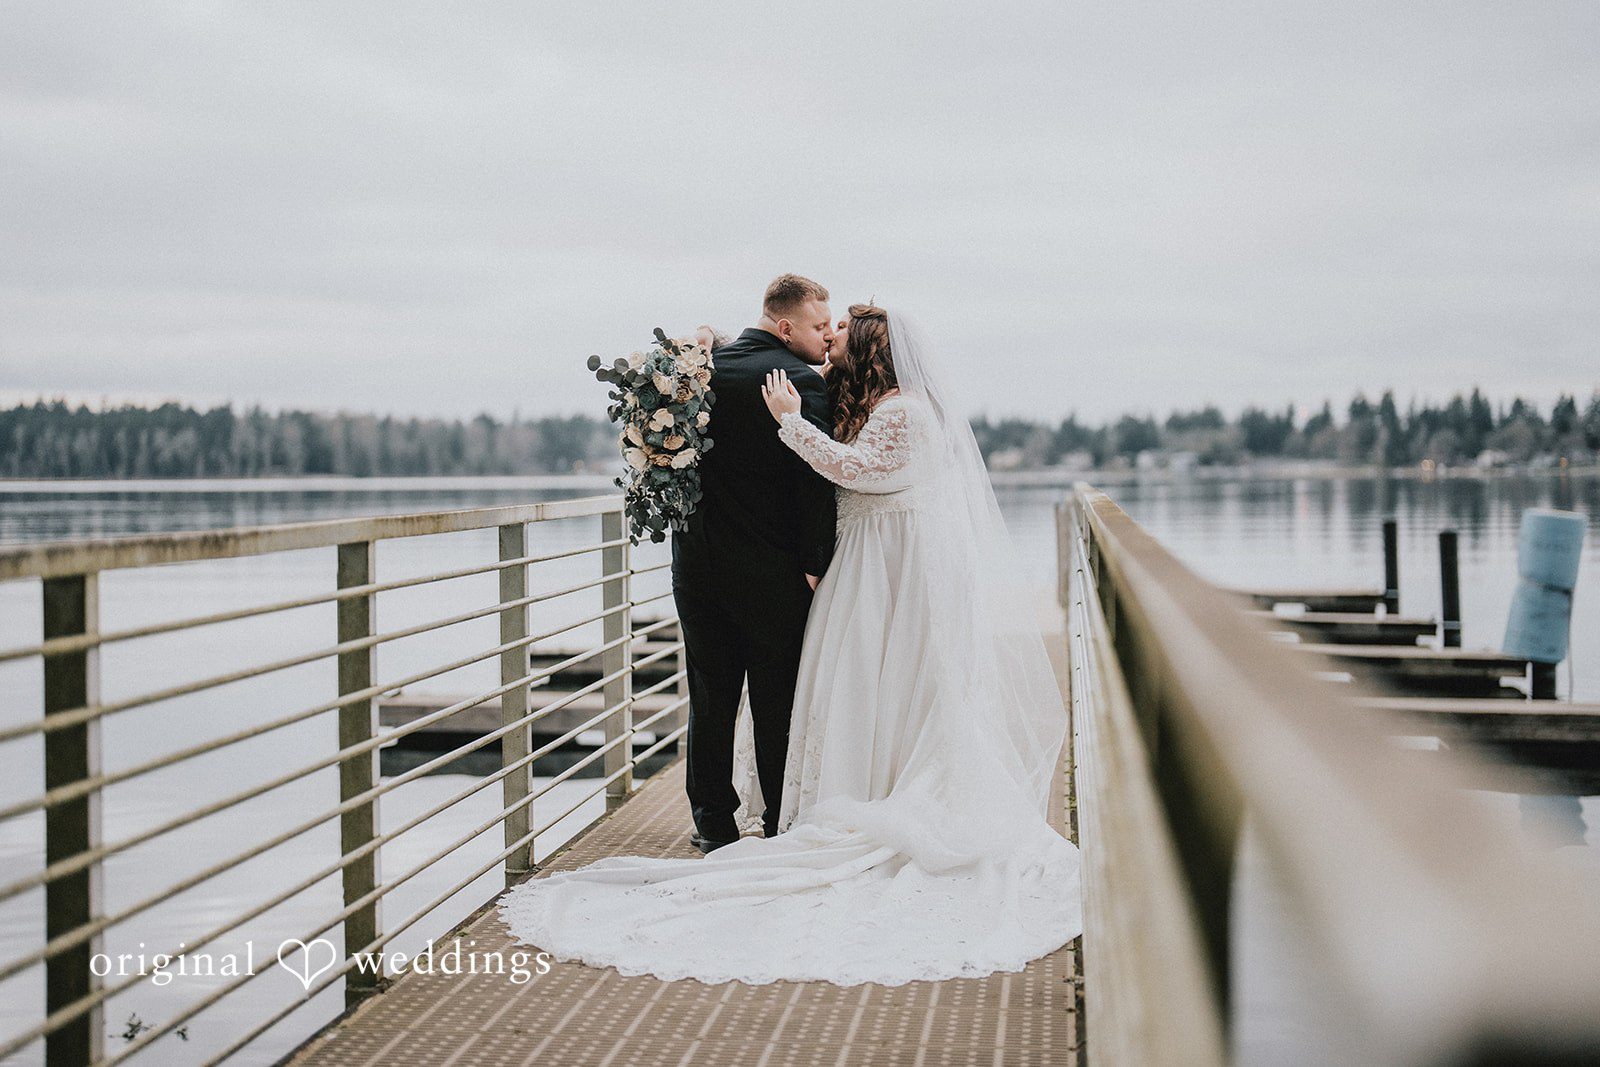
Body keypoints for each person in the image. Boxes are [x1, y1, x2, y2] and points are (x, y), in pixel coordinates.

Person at [497, 302, 1082, 986]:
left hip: (888, 570)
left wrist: (789, 423)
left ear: (865, 350)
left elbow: (854, 471)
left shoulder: (902, 412)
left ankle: (770, 812)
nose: (827, 343)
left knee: (863, 685)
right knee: (838, 685)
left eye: (838, 335)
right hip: (859, 565)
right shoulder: (839, 392)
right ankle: (792, 809)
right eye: (822, 328)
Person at [671, 274, 838, 850]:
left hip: (697, 568)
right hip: (775, 572)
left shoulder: (695, 373)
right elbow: (815, 483)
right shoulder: (797, 382)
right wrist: (818, 561)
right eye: (820, 326)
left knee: (710, 697)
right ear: (786, 326)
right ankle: (777, 822)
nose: (827, 338)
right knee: (775, 700)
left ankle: (713, 823)